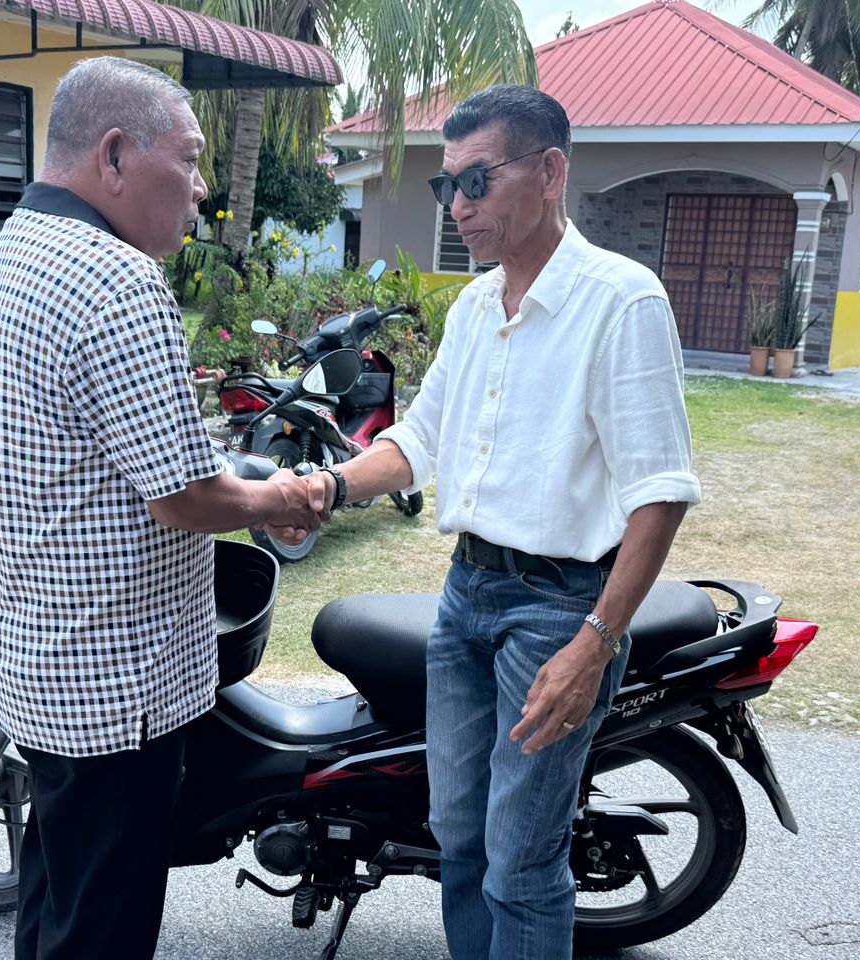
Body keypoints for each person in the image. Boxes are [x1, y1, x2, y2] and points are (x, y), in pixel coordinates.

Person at [287, 85, 701, 959]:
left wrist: (594, 644)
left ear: (550, 172)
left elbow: (659, 495)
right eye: (448, 186)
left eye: (478, 181)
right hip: (465, 596)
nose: (459, 205)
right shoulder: (476, 309)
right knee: (460, 839)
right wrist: (323, 487)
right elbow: (417, 444)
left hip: (559, 611)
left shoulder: (621, 301)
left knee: (520, 860)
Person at [0, 57, 318, 960]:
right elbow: (186, 497)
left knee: (57, 898)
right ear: (115, 155)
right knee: (103, 932)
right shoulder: (118, 280)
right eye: (189, 160)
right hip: (115, 685)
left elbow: (111, 453)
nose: (201, 190)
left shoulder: (9, 255)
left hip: (40, 660)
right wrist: (282, 494)